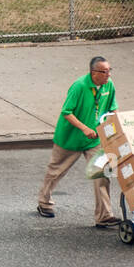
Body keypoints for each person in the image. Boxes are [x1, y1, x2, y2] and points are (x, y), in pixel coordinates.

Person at [36, 56, 120, 227]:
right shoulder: (80, 86)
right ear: (93, 72)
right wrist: (84, 128)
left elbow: (113, 108)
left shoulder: (108, 85)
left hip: (94, 140)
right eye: (104, 72)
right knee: (55, 172)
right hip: (70, 138)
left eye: (109, 70)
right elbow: (67, 112)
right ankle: (44, 203)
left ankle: (104, 216)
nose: (108, 75)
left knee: (102, 174)